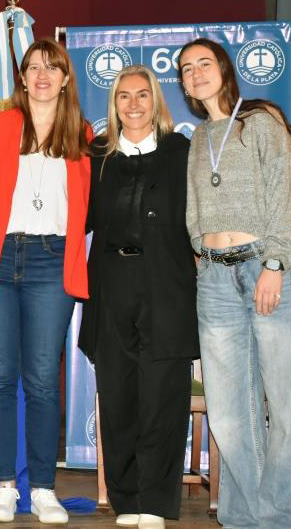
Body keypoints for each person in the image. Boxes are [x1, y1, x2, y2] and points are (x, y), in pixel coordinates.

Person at [178, 38, 291, 528]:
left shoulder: (260, 123)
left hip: (265, 267)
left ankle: (289, 521)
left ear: (224, 69)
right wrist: (201, 251)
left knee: (286, 407)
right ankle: (244, 519)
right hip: (215, 279)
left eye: (204, 63)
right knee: (229, 413)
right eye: (186, 69)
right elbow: (194, 209)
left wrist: (275, 265)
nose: (195, 73)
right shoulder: (199, 138)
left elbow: (284, 196)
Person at [0, 37, 91, 525]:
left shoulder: (81, 134)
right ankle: (4, 487)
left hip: (52, 262)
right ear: (23, 78)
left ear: (66, 79)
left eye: (52, 67)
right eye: (33, 67)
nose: (42, 75)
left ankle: (44, 489)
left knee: (43, 380)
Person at [78, 65, 197, 529]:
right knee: (119, 392)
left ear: (156, 101)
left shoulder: (180, 152)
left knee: (164, 395)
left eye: (142, 95)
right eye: (124, 96)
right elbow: (78, 218)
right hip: (111, 285)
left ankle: (155, 502)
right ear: (114, 104)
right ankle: (127, 499)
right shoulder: (96, 155)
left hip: (166, 284)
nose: (133, 104)